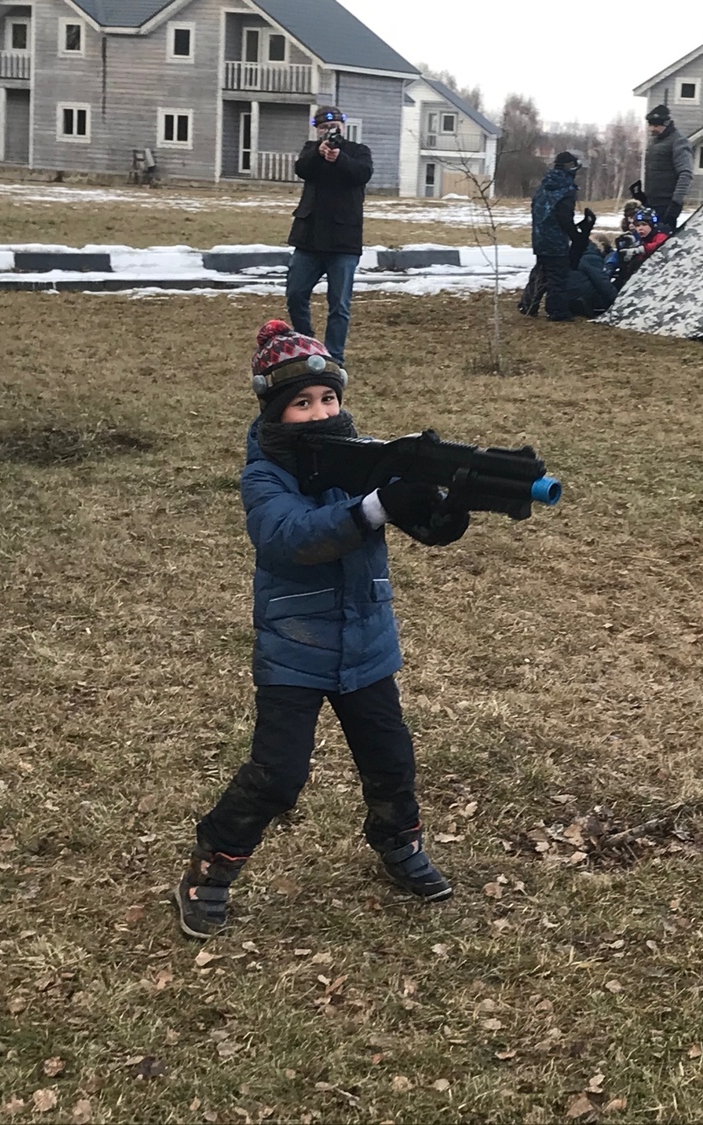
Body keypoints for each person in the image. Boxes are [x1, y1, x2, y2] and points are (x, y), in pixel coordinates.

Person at [174, 320, 469, 940]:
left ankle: (399, 844)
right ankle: (211, 868)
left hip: (367, 643)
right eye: (301, 403)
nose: (319, 412)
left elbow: (423, 525)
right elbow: (288, 537)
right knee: (278, 775)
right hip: (295, 650)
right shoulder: (265, 475)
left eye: (328, 398)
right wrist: (379, 505)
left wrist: (441, 504)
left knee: (391, 760)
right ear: (275, 412)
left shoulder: (359, 461)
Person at [286, 105, 373, 368]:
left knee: (339, 306)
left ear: (343, 127)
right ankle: (307, 344)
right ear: (316, 130)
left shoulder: (357, 151)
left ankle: (334, 358)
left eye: (334, 127)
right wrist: (319, 153)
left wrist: (339, 158)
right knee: (295, 294)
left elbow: (362, 173)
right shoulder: (310, 150)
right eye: (323, 127)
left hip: (344, 242)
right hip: (309, 239)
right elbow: (301, 168)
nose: (329, 132)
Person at [530, 151, 583, 322]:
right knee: (558, 276)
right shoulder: (566, 189)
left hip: (539, 236)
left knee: (541, 271)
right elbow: (564, 217)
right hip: (556, 240)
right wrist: (576, 236)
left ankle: (529, 304)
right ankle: (557, 311)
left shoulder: (544, 185)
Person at [642, 104, 693, 231]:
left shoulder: (678, 141)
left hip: (666, 203)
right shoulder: (654, 141)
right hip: (652, 202)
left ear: (666, 124)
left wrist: (676, 202)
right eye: (650, 125)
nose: (652, 129)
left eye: (656, 126)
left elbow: (685, 173)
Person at [609, 208, 668, 290]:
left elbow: (660, 244)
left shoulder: (660, 236)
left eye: (644, 225)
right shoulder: (637, 239)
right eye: (637, 225)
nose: (640, 228)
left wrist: (640, 250)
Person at [565, 239, 618, 318]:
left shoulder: (567, 257)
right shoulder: (591, 258)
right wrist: (617, 300)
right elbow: (601, 281)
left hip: (565, 298)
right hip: (583, 298)